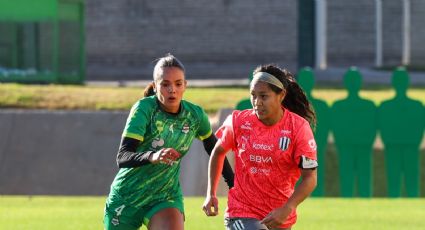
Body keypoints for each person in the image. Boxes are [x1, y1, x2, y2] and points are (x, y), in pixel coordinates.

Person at [104, 54, 234, 230]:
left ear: (185, 86)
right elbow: (123, 156)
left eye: (178, 84)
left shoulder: (194, 115)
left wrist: (234, 185)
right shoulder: (144, 109)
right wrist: (153, 156)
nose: (172, 89)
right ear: (156, 86)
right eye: (165, 84)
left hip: (164, 197)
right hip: (127, 197)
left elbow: (216, 150)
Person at [203, 64, 318, 230]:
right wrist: (211, 193)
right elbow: (218, 152)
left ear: (281, 95)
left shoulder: (298, 128)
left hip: (279, 218)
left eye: (263, 96)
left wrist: (287, 208)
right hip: (241, 212)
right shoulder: (239, 122)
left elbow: (310, 178)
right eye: (253, 95)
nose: (257, 102)